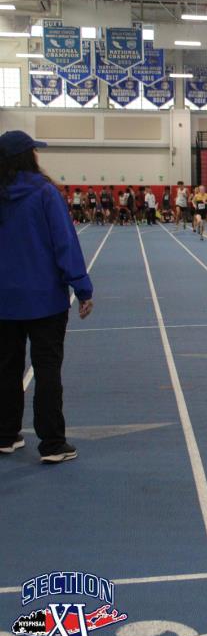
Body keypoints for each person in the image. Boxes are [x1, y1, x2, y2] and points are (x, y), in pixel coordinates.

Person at [0, 131, 94, 464]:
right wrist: (82, 287)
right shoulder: (45, 193)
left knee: (6, 368)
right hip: (45, 300)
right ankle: (52, 443)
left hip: (4, 301)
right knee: (47, 370)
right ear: (29, 157)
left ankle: (5, 434)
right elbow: (64, 242)